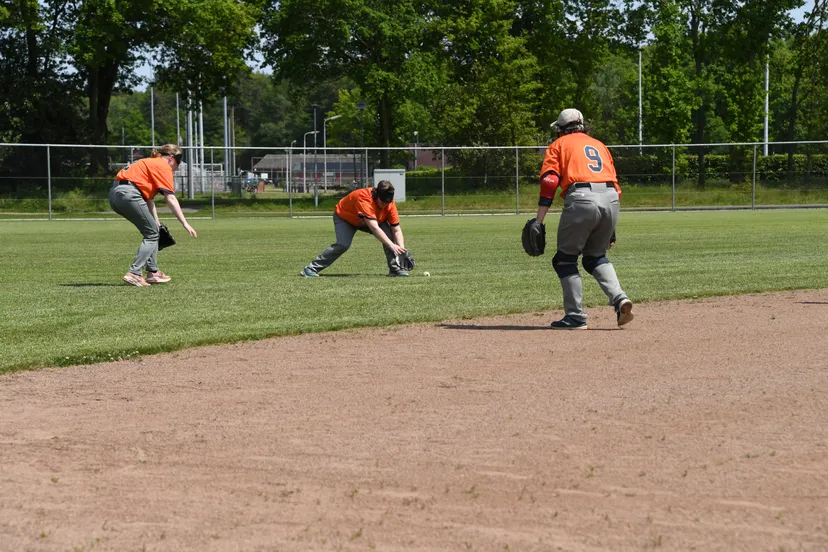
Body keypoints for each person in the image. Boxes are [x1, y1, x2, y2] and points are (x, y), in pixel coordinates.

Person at [536, 108, 633, 329]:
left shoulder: (558, 145)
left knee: (564, 259)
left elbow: (550, 181)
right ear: (583, 126)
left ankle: (575, 317)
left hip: (581, 198)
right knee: (594, 256)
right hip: (611, 199)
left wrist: (539, 220)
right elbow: (614, 187)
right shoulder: (599, 145)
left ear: (561, 129)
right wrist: (611, 229)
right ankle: (619, 298)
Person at [109, 144, 198, 287]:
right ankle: (134, 273)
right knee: (151, 234)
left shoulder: (150, 163)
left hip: (116, 195)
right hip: (130, 194)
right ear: (171, 158)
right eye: (178, 160)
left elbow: (148, 199)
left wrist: (156, 222)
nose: (178, 164)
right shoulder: (163, 167)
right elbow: (170, 198)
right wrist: (184, 223)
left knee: (153, 231)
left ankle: (153, 272)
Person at [301, 180, 409, 277]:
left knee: (389, 236)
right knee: (343, 244)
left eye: (387, 203)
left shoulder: (389, 203)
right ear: (376, 195)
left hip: (372, 220)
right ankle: (311, 268)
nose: (385, 205)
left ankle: (395, 269)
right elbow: (374, 228)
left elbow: (396, 229)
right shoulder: (364, 199)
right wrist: (391, 245)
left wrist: (402, 250)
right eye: (382, 203)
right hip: (345, 218)